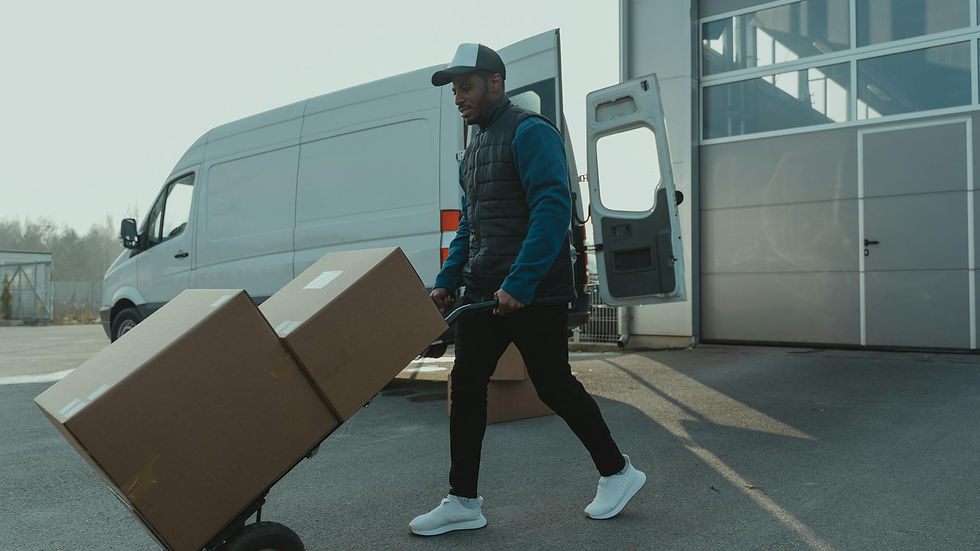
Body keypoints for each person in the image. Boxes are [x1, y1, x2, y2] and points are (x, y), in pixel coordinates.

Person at [408, 43, 645, 537]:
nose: (458, 98)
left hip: (533, 291)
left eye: (466, 87)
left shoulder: (531, 133)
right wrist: (447, 282)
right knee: (467, 386)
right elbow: (470, 226)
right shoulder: (472, 152)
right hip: (483, 292)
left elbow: (551, 211)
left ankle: (618, 473)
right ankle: (463, 501)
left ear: (496, 83)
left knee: (555, 386)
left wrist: (521, 282)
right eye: (454, 90)